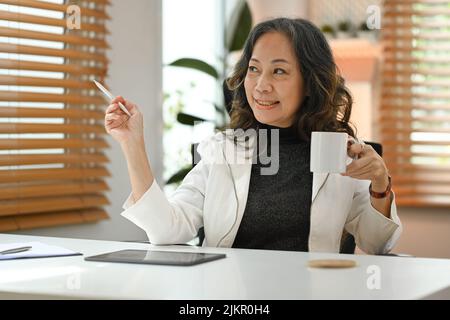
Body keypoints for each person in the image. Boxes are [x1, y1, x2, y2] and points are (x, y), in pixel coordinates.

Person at [104, 18, 401, 254]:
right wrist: (133, 145)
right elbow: (166, 229)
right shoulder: (225, 150)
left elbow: (377, 245)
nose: (260, 85)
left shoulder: (341, 152)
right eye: (254, 69)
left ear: (310, 83)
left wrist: (380, 184)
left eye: (279, 72)